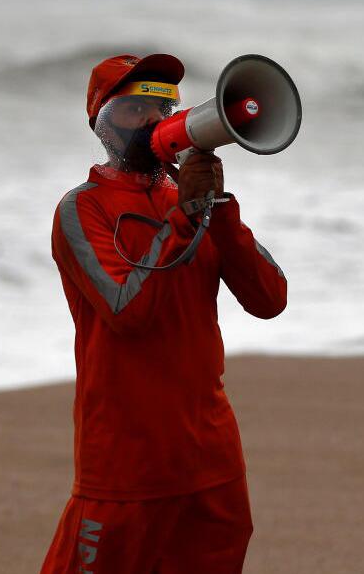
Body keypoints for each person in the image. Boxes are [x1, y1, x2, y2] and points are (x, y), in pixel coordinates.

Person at [40, 53, 288, 573]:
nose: (153, 120)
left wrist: (218, 212)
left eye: (163, 106)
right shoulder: (82, 209)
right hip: (124, 468)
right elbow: (129, 312)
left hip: (212, 460)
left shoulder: (192, 201)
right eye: (134, 110)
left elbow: (270, 299)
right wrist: (182, 217)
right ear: (101, 124)